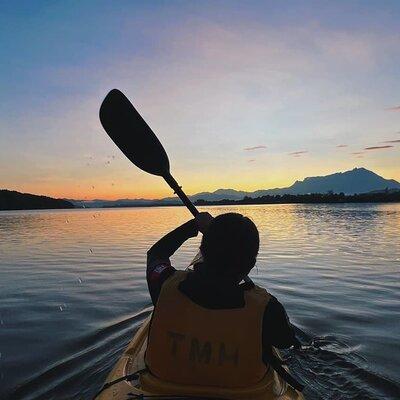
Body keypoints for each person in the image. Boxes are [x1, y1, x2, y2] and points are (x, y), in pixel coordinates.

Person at [145, 212, 302, 390]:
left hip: (160, 385)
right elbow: (285, 341)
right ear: (251, 265)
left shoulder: (165, 283)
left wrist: (193, 226)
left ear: (202, 251)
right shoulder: (268, 309)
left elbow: (156, 254)